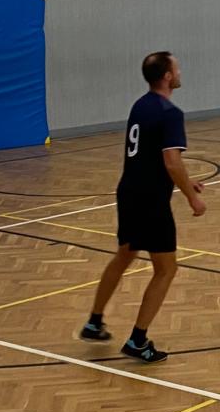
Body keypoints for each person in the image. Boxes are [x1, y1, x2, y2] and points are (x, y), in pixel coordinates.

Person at [80, 51, 205, 364]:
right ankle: (138, 339)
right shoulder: (170, 112)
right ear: (167, 76)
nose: (180, 72)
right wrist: (192, 197)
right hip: (151, 200)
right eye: (176, 68)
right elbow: (171, 161)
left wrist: (188, 182)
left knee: (124, 255)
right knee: (166, 269)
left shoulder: (141, 105)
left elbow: (151, 156)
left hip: (129, 192)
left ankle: (94, 321)